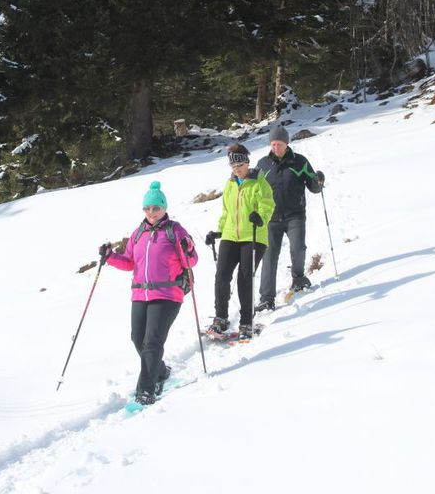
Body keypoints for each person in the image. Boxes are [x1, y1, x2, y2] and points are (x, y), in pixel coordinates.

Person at [98, 181, 197, 405]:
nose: (151, 213)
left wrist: (188, 248)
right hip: (140, 295)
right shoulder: (138, 233)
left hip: (167, 294)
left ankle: (146, 391)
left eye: (156, 208)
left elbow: (191, 261)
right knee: (138, 339)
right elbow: (129, 262)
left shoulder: (175, 230)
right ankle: (160, 371)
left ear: (164, 208)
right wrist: (110, 256)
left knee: (152, 342)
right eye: (147, 208)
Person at [205, 143, 275, 339]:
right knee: (221, 276)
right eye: (233, 167)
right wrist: (218, 232)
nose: (237, 170)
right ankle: (220, 318)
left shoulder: (259, 182)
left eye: (240, 166)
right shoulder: (230, 184)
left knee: (245, 278)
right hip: (230, 235)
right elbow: (227, 212)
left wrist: (260, 216)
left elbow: (268, 205)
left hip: (253, 235)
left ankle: (246, 322)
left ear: (247, 163)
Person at [255, 125, 325, 312]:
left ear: (286, 144)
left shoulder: (299, 162)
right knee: (269, 256)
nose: (276, 147)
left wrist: (318, 181)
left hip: (295, 215)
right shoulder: (263, 164)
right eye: (273, 144)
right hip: (271, 218)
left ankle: (298, 278)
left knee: (298, 248)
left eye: (279, 144)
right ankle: (266, 298)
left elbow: (313, 187)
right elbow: (254, 189)